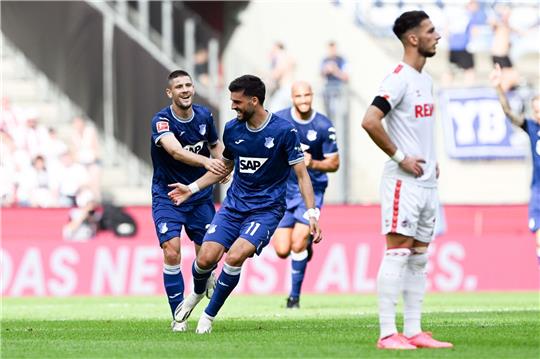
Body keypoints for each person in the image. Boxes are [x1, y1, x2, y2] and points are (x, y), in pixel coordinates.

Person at [168, 74, 322, 334]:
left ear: (254, 100)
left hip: (266, 210)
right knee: (205, 258)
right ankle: (195, 294)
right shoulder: (232, 129)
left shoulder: (284, 132)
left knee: (236, 255)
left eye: (237, 102)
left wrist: (312, 213)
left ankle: (208, 316)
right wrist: (192, 188)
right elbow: (225, 167)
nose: (232, 106)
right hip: (233, 207)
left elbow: (301, 174)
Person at [361, 10, 453, 350]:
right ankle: (387, 333)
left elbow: (419, 130)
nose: (437, 35)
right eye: (430, 31)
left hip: (427, 182)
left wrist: (433, 161)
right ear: (413, 39)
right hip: (404, 182)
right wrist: (401, 157)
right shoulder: (398, 78)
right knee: (398, 252)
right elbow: (370, 120)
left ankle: (413, 330)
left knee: (418, 255)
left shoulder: (425, 80)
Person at [150, 70, 228, 332]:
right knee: (171, 250)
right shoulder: (161, 121)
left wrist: (223, 166)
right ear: (169, 93)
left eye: (188, 85)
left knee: (206, 254)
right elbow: (174, 151)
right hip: (168, 194)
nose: (185, 90)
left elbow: (216, 144)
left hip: (198, 194)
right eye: (179, 87)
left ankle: (206, 276)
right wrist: (209, 162)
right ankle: (178, 318)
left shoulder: (205, 115)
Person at [273, 81, 339, 308]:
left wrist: (314, 163)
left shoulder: (322, 125)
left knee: (297, 244)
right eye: (298, 96)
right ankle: (306, 244)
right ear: (292, 98)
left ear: (312, 96)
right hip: (284, 190)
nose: (303, 100)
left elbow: (335, 163)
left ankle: (294, 298)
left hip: (311, 190)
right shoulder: (279, 120)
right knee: (282, 250)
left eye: (307, 96)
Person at [490, 64, 540, 264]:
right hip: (538, 191)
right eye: (536, 111)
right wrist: (498, 88)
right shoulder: (532, 127)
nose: (538, 115)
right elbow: (509, 113)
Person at [320, 41, 349, 120]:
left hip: (339, 91)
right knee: (329, 115)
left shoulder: (342, 60)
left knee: (339, 115)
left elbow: (346, 77)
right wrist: (326, 70)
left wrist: (335, 70)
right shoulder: (324, 60)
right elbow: (320, 74)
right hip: (328, 92)